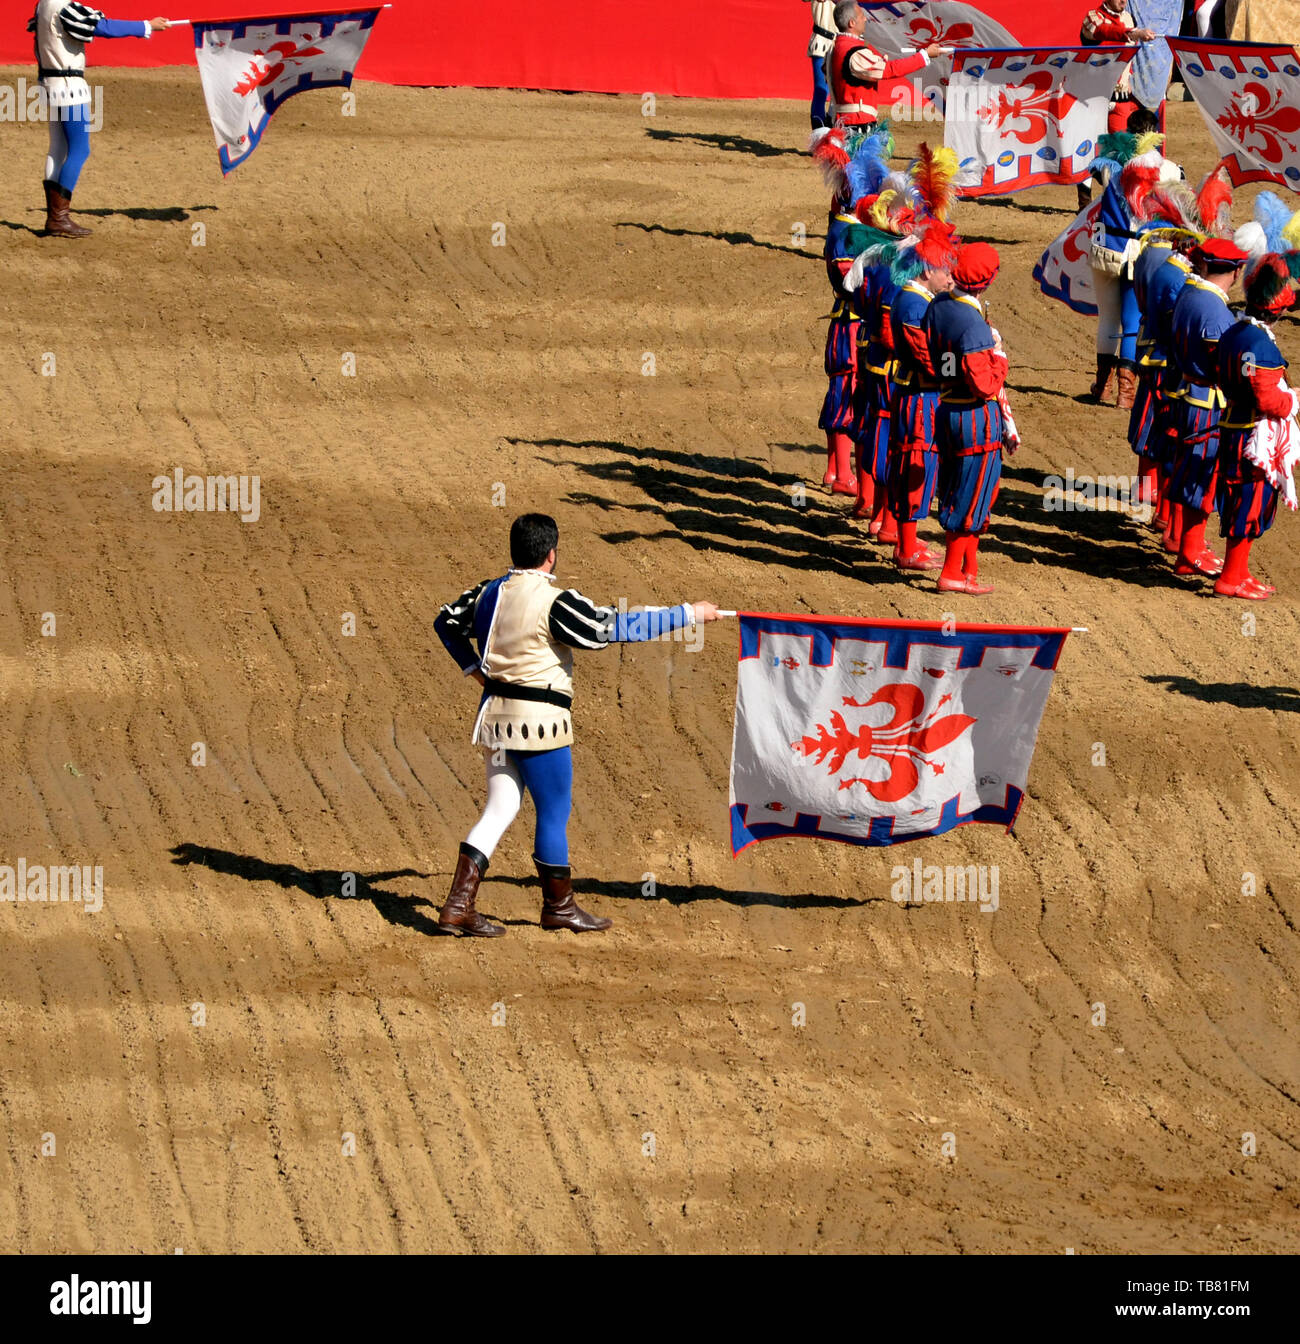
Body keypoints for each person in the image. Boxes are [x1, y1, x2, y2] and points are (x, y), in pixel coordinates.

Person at [432, 514, 721, 938]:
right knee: (553, 813)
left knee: (500, 808)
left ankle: (458, 906)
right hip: (540, 724)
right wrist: (687, 613)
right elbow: (614, 628)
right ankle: (559, 908)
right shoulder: (556, 602)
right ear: (551, 555)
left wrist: (473, 668)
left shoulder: (488, 592)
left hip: (494, 718)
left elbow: (445, 622)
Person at [28, 2, 170, 238]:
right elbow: (103, 27)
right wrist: (147, 26)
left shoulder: (42, 5)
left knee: (57, 149)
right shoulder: (64, 6)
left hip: (49, 84)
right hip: (69, 86)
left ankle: (55, 217)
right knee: (79, 150)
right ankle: (58, 218)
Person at [925, 243, 1008, 596]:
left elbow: (942, 362)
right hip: (976, 419)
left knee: (957, 490)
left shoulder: (938, 307)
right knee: (973, 495)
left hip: (946, 409)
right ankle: (951, 573)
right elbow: (983, 383)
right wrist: (999, 357)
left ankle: (967, 568)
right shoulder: (972, 324)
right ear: (985, 283)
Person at [1164, 237, 1250, 578]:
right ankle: (1191, 551)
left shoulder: (1190, 291)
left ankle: (1190, 547)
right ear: (1236, 270)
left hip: (1188, 394)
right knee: (1202, 476)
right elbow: (1222, 364)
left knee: (1191, 474)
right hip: (1207, 403)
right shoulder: (1214, 309)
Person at [1213, 256, 1297, 599]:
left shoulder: (1234, 331)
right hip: (1252, 435)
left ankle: (1239, 572)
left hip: (1233, 428)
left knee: (1244, 503)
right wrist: (1292, 402)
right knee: (1249, 504)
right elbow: (1265, 399)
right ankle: (1231, 577)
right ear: (1276, 312)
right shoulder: (1261, 344)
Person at [1087, 108, 1182, 408]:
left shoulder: (1110, 165)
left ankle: (1101, 387)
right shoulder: (1167, 169)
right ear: (1155, 134)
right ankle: (1125, 395)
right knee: (1131, 321)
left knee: (1107, 321)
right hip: (1136, 254)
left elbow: (1094, 169)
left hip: (1105, 249)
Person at [887, 224, 957, 571]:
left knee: (920, 468)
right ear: (928, 270)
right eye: (946, 269)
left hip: (921, 395)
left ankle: (909, 540)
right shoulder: (914, 304)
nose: (950, 277)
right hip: (919, 398)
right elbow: (927, 359)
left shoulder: (918, 299)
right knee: (915, 468)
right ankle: (905, 547)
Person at [1077, 1, 1156, 208]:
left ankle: (1102, 192)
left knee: (1122, 151)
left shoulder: (1129, 18)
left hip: (1122, 98)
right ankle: (1087, 201)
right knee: (1093, 149)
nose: (1123, 0)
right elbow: (1105, 31)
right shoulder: (1093, 18)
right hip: (1095, 98)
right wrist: (1133, 33)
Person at [826, 1, 942, 131]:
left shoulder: (836, 47)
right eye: (861, 16)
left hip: (843, 121)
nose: (865, 19)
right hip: (857, 124)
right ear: (852, 23)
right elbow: (889, 70)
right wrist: (924, 56)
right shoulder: (854, 52)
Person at [821, 198, 863, 495]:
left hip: (846, 319)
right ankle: (844, 475)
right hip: (852, 321)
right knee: (847, 393)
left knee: (841, 392)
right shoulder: (847, 232)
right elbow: (851, 281)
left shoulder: (841, 225)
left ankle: (834, 468)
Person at [805, 1, 837, 129]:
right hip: (822, 41)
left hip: (842, 43)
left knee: (838, 94)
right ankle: (818, 135)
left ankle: (830, 132)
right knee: (821, 91)